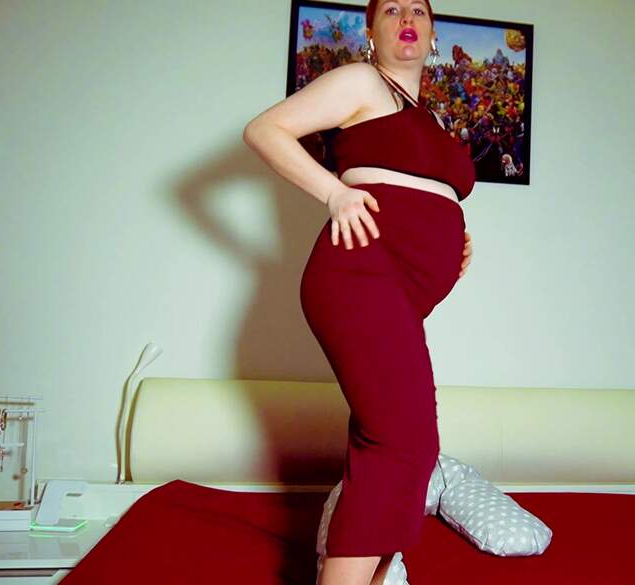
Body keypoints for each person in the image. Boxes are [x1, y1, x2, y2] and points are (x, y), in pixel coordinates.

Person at [243, 1, 475, 583]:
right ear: (370, 32)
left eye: (418, 9)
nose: (406, 17)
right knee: (403, 441)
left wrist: (452, 238)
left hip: (401, 292)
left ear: (433, 32)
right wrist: (334, 193)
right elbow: (263, 130)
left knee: (401, 448)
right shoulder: (362, 82)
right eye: (390, 8)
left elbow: (424, 191)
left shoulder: (431, 117)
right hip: (358, 275)